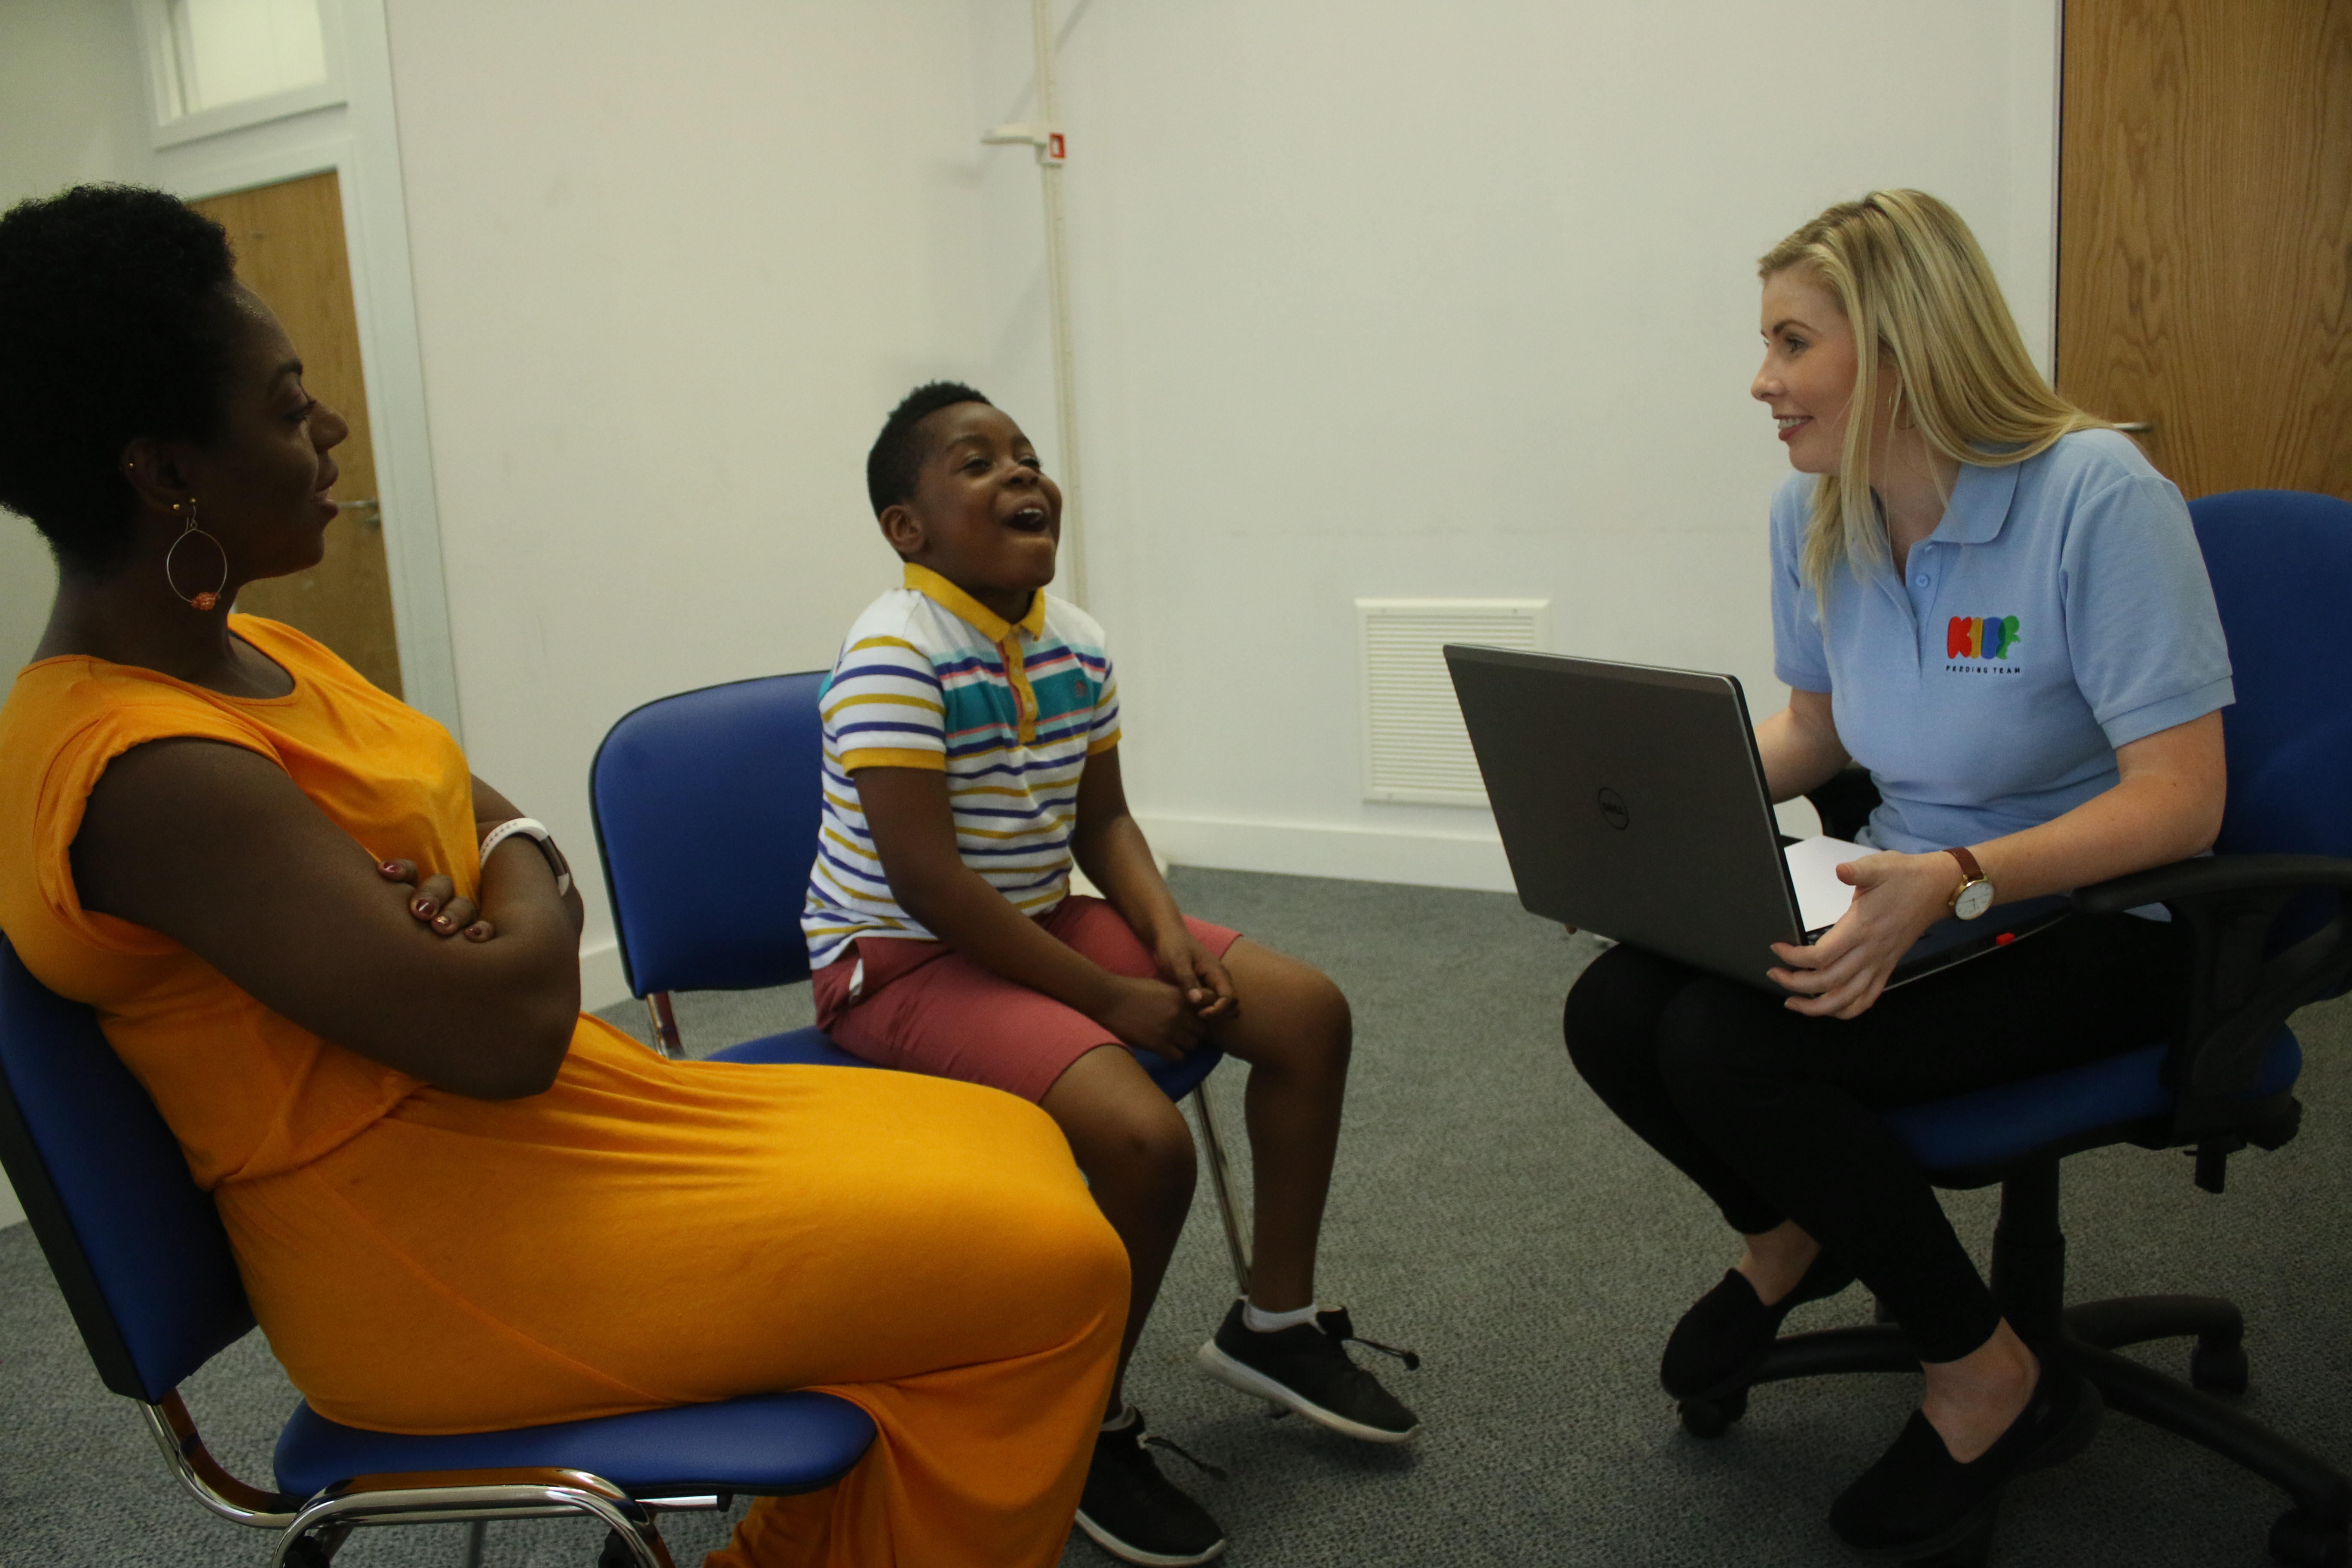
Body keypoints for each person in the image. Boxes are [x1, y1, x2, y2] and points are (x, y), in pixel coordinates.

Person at [0, 184, 1130, 1568]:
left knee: (1012, 1143)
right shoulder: (141, 766)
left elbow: (501, 829)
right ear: (163, 472)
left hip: (539, 1135)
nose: (332, 431)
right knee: (1052, 1265)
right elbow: (508, 1029)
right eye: (291, 408)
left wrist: (496, 875)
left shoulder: (271, 659)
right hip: (425, 1243)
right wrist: (492, 897)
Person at [1562, 190, 2232, 1560]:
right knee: (1615, 1011)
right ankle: (1800, 1232)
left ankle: (1986, 1374)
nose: (1762, 381)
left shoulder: (2097, 497)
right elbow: (1815, 730)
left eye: (1793, 343)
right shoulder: (1815, 513)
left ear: (1905, 344)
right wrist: (1650, 820)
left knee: (1730, 1048)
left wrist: (1963, 873)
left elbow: (2185, 804)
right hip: (1910, 886)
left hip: (2091, 914)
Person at [801, 383, 1421, 1567]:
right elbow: (931, 887)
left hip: (1032, 916)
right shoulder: (893, 650)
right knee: (1146, 1140)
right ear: (908, 528)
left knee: (1303, 1014)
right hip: (894, 961)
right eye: (976, 464)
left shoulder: (1073, 637)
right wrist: (1108, 994)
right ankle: (1079, 1423)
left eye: (1027, 455)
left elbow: (1107, 824)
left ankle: (1274, 1320)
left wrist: (1164, 933)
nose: (1020, 475)